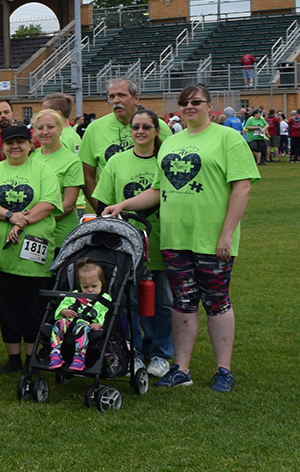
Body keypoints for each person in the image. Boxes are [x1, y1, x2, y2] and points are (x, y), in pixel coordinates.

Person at [103, 83, 258, 393]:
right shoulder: (172, 143)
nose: (190, 107)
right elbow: (157, 191)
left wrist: (227, 234)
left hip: (212, 238)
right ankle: (181, 368)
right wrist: (123, 205)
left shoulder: (227, 138)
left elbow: (242, 188)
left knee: (216, 303)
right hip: (175, 239)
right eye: (184, 102)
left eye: (196, 102)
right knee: (182, 304)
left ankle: (223, 370)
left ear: (209, 105)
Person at [92, 109, 173, 378]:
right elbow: (104, 203)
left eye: (146, 127)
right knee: (130, 302)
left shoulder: (165, 161)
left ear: (156, 131)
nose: (140, 132)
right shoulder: (116, 162)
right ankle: (134, 351)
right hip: (126, 247)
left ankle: (161, 353)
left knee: (162, 301)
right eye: (136, 127)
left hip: (162, 242)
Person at [0, 124, 60, 375]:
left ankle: (33, 356)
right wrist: (11, 216)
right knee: (6, 305)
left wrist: (22, 222)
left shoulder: (43, 169)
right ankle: (13, 357)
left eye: (21, 141)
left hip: (34, 254)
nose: (15, 146)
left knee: (32, 305)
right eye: (10, 142)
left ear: (30, 144)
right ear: (3, 146)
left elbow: (48, 203)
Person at [80, 78, 171, 206]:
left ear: (136, 98)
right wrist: (101, 209)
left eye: (122, 95)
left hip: (157, 211)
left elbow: (169, 168)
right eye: (112, 96)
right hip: (113, 214)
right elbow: (87, 174)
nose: (116, 101)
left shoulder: (158, 127)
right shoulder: (95, 129)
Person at [31, 109, 84, 257]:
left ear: (60, 130)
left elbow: (68, 204)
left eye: (50, 127)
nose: (45, 132)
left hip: (60, 236)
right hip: (34, 234)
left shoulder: (72, 161)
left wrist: (34, 220)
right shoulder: (33, 157)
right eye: (40, 128)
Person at [47, 259, 112, 371]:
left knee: (81, 328)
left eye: (94, 286)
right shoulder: (74, 294)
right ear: (80, 285)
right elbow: (63, 305)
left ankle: (79, 356)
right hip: (69, 320)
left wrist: (99, 324)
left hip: (86, 323)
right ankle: (55, 353)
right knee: (59, 324)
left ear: (102, 283)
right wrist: (64, 311)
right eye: (85, 287)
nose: (90, 290)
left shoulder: (105, 298)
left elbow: (104, 314)